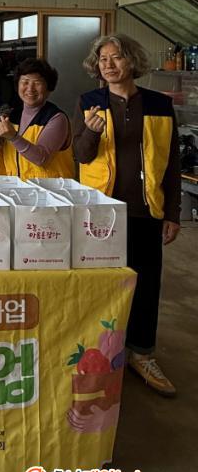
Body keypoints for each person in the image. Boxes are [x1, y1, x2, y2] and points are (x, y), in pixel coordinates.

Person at [74, 33, 181, 396]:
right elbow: (80, 155)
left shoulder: (159, 104)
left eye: (116, 57)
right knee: (102, 284)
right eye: (102, 59)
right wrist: (91, 134)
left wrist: (172, 212)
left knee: (146, 284)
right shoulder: (90, 102)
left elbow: (171, 163)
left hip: (146, 209)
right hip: (100, 212)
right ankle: (100, 353)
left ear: (132, 61)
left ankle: (142, 353)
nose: (109, 65)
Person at [0, 58, 74, 179]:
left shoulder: (57, 118)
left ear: (48, 88)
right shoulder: (11, 115)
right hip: (18, 188)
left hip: (49, 189)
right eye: (25, 82)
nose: (30, 88)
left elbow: (42, 158)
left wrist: (14, 137)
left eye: (37, 83)